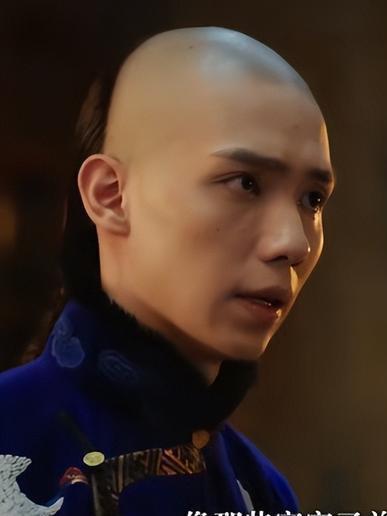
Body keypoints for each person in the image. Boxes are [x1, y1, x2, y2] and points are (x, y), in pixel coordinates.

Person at [0, 26, 335, 515]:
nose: (295, 243)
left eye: (313, 199)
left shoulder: (262, 492)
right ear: (110, 195)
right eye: (245, 183)